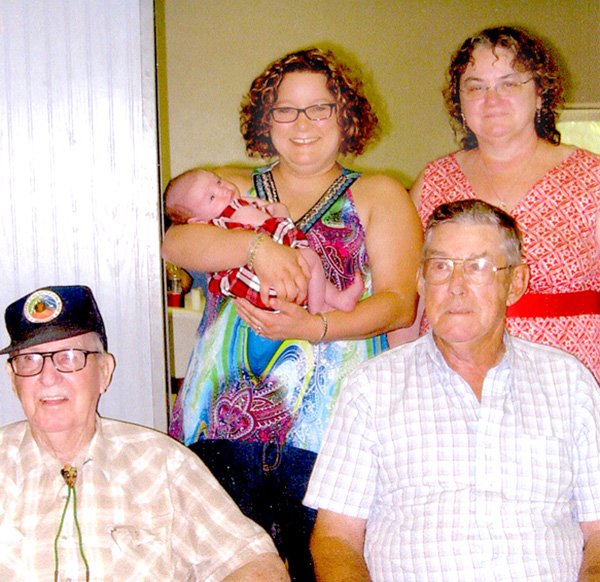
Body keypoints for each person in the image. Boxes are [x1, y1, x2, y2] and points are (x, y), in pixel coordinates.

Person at [161, 47, 422, 579]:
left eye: (319, 108)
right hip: (218, 423)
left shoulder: (378, 193)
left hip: (333, 435)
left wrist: (316, 327)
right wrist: (256, 249)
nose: (302, 124)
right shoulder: (228, 185)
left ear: (345, 114)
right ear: (265, 119)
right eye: (285, 109)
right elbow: (174, 243)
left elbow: (398, 304)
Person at [305, 199, 600, 581]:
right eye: (441, 267)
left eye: (477, 267)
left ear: (516, 282)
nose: (456, 287)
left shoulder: (568, 382)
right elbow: (335, 539)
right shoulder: (372, 388)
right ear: (421, 281)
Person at [0, 285, 289, 581]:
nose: (48, 377)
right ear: (13, 379)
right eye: (29, 360)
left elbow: (256, 565)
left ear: (104, 371)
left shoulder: (163, 463)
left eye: (70, 357)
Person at [411, 25, 599, 380]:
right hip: (452, 379)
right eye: (476, 87)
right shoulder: (433, 181)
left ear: (541, 94)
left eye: (509, 83)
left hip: (568, 383)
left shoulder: (592, 178)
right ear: (460, 103)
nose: (491, 99)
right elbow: (412, 300)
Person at [164, 168, 364, 313]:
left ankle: (332, 300)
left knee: (307, 265)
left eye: (218, 181)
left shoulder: (236, 206)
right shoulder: (223, 220)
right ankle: (322, 306)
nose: (224, 189)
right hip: (260, 283)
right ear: (197, 221)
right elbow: (271, 227)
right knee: (309, 260)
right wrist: (272, 216)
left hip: (271, 282)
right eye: (211, 197)